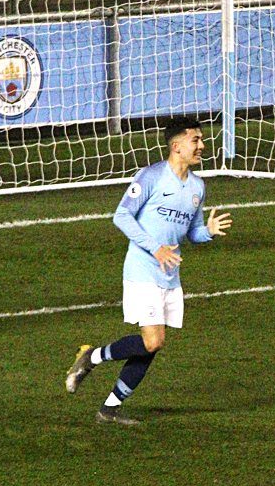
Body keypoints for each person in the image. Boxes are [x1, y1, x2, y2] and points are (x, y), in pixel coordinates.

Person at [64, 117, 232, 425]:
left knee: (152, 345)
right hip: (142, 268)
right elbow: (121, 215)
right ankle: (93, 357)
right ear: (176, 145)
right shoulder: (152, 177)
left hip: (170, 273)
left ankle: (109, 409)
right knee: (153, 341)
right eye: (195, 140)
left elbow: (192, 232)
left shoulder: (197, 187)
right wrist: (155, 248)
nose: (202, 146)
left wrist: (207, 231)